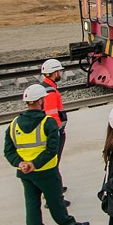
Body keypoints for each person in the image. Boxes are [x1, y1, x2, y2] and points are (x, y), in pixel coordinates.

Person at [3, 84, 89, 225]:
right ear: (41, 100)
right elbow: (52, 150)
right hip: (46, 171)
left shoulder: (13, 124)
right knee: (55, 200)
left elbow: (8, 150)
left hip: (25, 173)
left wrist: (21, 164)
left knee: (32, 203)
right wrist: (34, 164)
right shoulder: (47, 123)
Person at [39, 58, 69, 195]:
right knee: (53, 165)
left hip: (54, 132)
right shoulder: (50, 92)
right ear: (54, 73)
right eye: (59, 71)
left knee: (54, 164)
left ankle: (55, 187)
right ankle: (54, 194)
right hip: (55, 133)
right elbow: (51, 117)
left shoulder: (45, 87)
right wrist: (58, 132)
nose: (60, 74)